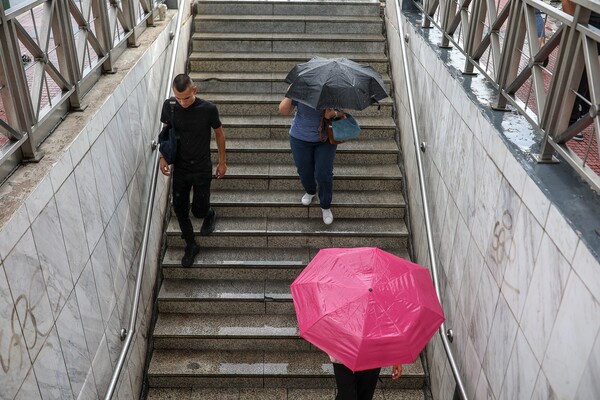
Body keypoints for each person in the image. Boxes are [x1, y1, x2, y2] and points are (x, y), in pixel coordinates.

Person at [159, 74, 227, 267]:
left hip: (201, 167)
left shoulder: (208, 109)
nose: (183, 102)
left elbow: (220, 134)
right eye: (178, 98)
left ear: (194, 90)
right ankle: (190, 245)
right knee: (180, 209)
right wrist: (163, 156)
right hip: (180, 168)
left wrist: (222, 162)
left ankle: (209, 213)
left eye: (186, 98)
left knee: (198, 209)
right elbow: (166, 131)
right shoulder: (170, 106)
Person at [278, 95, 341, 225]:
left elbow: (345, 111)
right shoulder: (302, 86)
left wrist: (333, 113)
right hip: (299, 137)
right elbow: (284, 110)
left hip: (325, 139)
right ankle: (310, 191)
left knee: (323, 174)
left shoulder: (333, 88)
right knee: (304, 170)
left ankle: (325, 205)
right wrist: (291, 91)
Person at [329, 354, 403, 400]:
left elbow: (391, 329)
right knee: (347, 396)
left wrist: (396, 357)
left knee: (365, 395)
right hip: (343, 352)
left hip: (372, 353)